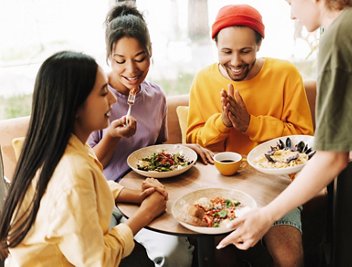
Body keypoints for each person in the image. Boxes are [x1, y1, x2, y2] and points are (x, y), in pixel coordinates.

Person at [217, 1, 352, 267]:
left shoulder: (343, 32)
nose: (292, 14)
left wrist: (267, 215)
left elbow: (332, 158)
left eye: (291, 2)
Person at [0, 51, 167, 266]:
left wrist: (136, 196)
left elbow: (88, 189)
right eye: (103, 92)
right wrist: (146, 213)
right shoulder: (72, 171)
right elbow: (98, 261)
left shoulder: (62, 147)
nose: (114, 99)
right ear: (76, 106)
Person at [186, 4, 314, 267]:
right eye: (226, 52)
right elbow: (193, 142)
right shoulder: (203, 80)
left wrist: (250, 125)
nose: (235, 62)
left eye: (245, 51)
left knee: (290, 258)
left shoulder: (285, 75)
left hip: (278, 188)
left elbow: (304, 139)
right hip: (222, 188)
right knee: (221, 256)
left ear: (259, 45)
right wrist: (223, 122)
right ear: (216, 47)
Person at [88, 2, 213, 266]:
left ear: (151, 52)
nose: (131, 70)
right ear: (109, 58)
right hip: (104, 198)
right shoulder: (92, 97)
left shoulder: (155, 96)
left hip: (148, 193)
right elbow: (86, 167)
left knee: (174, 253)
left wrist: (187, 151)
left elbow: (160, 149)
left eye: (140, 58)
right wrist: (111, 137)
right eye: (120, 61)